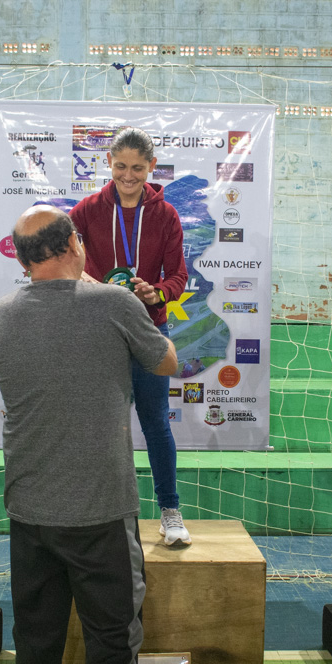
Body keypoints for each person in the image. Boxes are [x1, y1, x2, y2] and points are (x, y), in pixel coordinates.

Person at [0, 205, 178, 664]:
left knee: (36, 640)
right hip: (100, 509)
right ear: (74, 243)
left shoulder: (1, 314)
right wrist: (129, 300)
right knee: (113, 642)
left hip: (29, 508)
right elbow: (167, 362)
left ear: (24, 259)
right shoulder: (114, 304)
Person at [70, 127, 191, 546]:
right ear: (109, 163)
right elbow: (69, 262)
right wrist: (94, 283)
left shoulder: (166, 214)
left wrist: (156, 291)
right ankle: (100, 515)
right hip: (100, 330)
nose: (128, 175)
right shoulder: (86, 209)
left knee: (156, 423)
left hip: (147, 328)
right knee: (102, 425)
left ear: (151, 167)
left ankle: (170, 511)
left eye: (137, 168)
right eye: (120, 166)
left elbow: (179, 275)